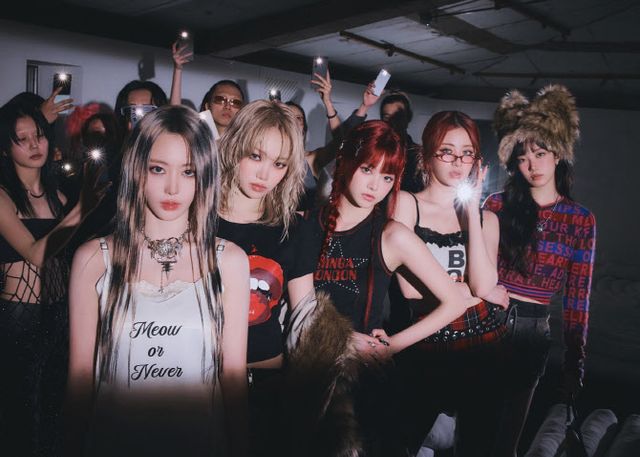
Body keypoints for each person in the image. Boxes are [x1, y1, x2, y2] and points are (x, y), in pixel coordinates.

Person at [65, 105, 250, 457]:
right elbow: (80, 376)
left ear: (204, 176)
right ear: (137, 169)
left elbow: (233, 377)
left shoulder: (230, 261)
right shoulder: (93, 259)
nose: (172, 187)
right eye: (158, 169)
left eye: (188, 171)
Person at [291, 120, 483, 455]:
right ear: (346, 162)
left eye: (387, 177)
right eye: (368, 169)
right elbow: (301, 308)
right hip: (309, 374)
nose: (375, 185)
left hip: (361, 382)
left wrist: (392, 345)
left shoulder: (391, 235)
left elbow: (454, 302)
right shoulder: (306, 224)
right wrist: (344, 338)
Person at [483, 84, 596, 456]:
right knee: (474, 430)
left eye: (540, 153)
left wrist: (575, 365)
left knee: (507, 442)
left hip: (533, 329)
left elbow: (577, 298)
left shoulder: (579, 220)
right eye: (523, 157)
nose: (532, 165)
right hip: (489, 318)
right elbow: (473, 269)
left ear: (558, 154)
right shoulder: (496, 204)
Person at [391, 111, 509, 456]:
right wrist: (464, 290)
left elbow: (483, 285)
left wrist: (471, 211)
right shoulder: (406, 203)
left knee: (477, 446)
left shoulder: (487, 218)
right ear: (427, 155)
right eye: (447, 151)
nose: (458, 162)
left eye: (467, 153)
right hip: (427, 341)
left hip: (483, 341)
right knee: (401, 441)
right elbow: (410, 290)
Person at [0, 98, 105, 456]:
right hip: (19, 316)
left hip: (59, 311)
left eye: (39, 135)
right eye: (22, 139)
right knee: (19, 409)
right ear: (5, 147)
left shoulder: (58, 194)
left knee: (55, 406)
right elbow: (35, 253)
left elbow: (73, 254)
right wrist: (81, 210)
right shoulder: (3, 197)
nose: (34, 145)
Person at [169, 41, 245, 138]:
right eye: (221, 99)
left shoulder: (247, 142)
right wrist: (178, 70)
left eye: (235, 102)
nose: (227, 106)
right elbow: (174, 118)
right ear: (207, 106)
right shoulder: (195, 139)